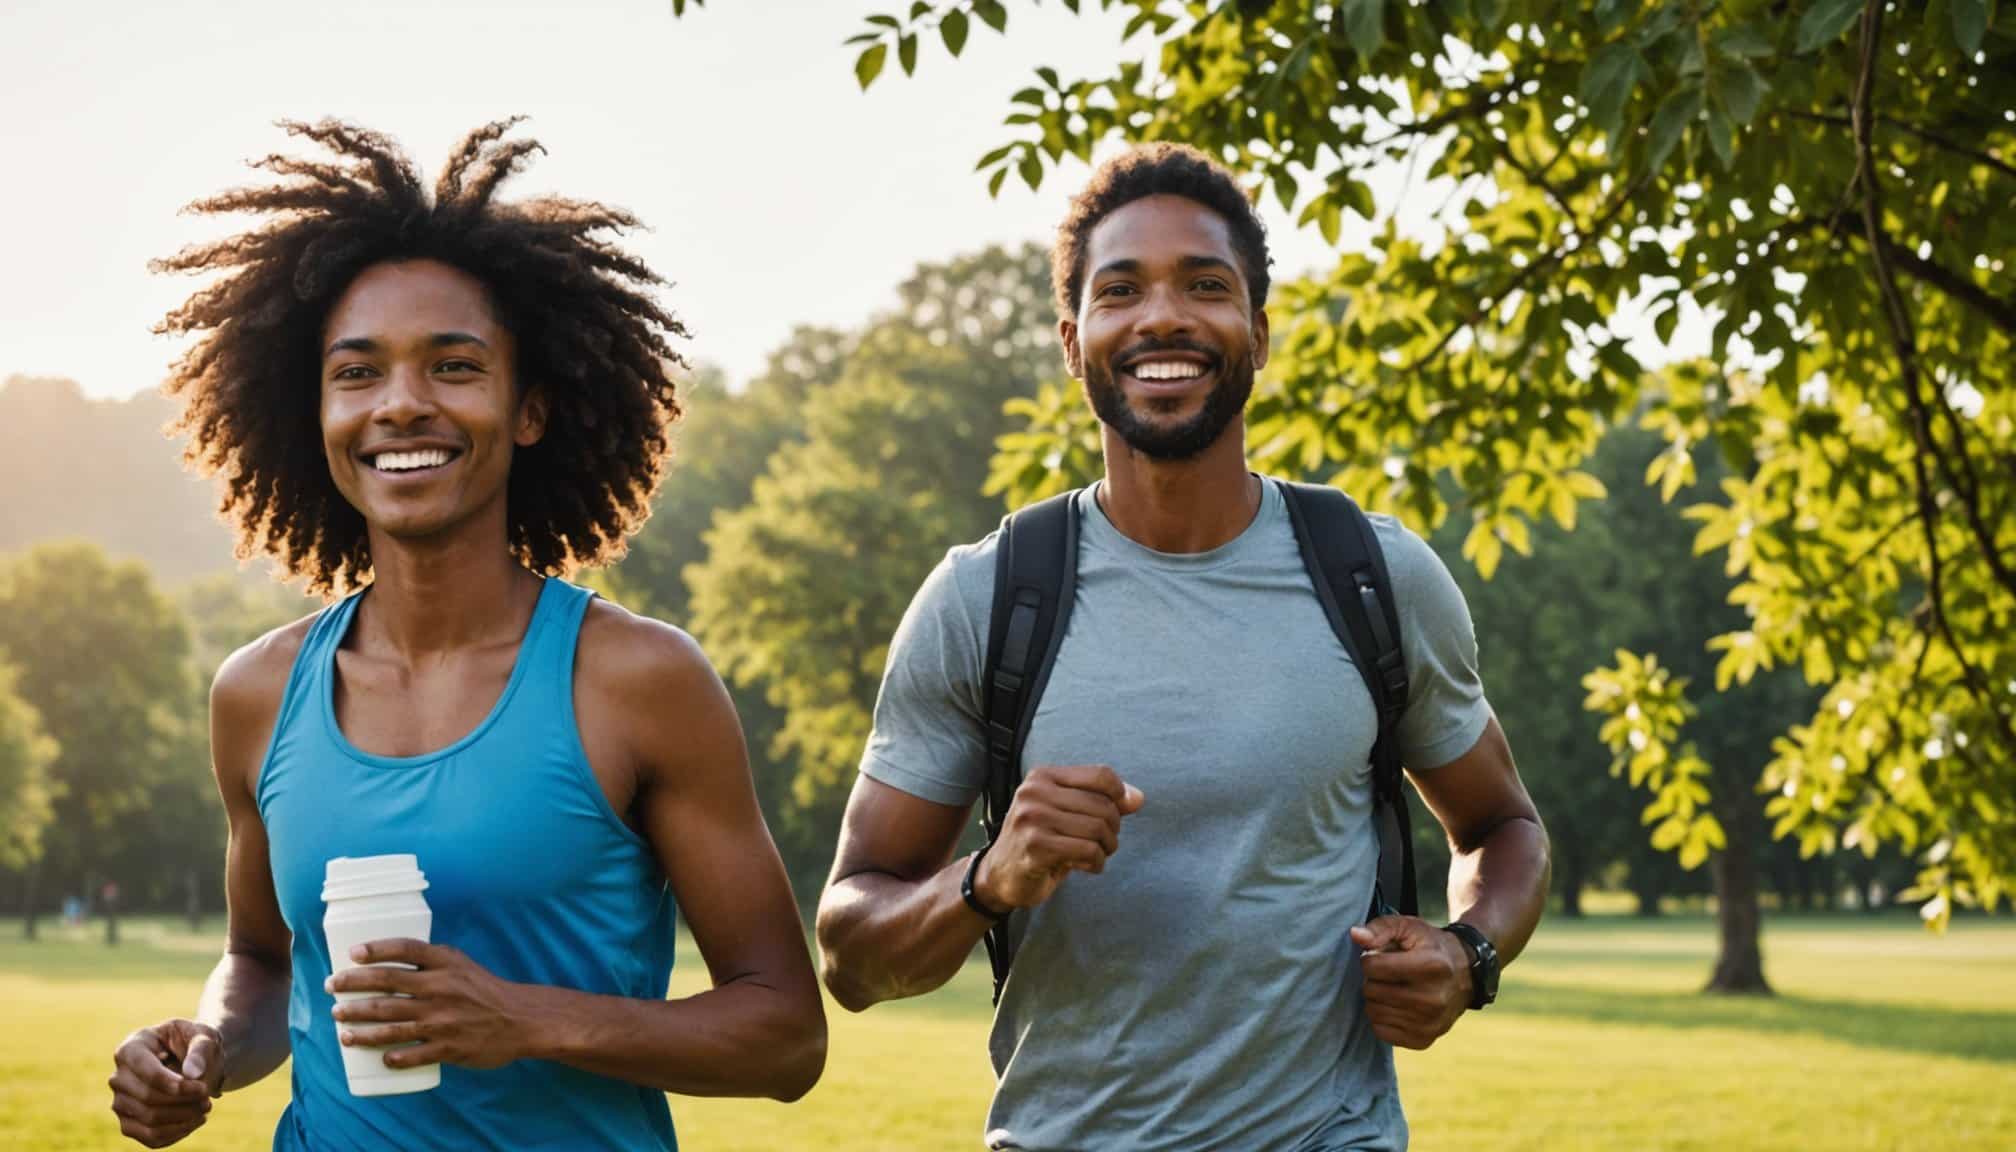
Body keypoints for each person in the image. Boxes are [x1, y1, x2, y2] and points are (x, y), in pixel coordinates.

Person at [107, 119, 825, 1151]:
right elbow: (263, 962)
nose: (400, 405)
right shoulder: (257, 694)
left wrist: (528, 1019)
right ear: (311, 410)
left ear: (528, 409)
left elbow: (785, 1036)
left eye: (452, 366)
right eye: (356, 373)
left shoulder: (635, 680)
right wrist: (208, 1045)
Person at [816, 143, 1549, 1150]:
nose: (1163, 316)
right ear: (1075, 342)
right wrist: (989, 878)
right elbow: (851, 956)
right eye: (1121, 291)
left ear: (1258, 329)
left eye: (1205, 285)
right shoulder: (985, 599)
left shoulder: (1376, 577)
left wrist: (1471, 953)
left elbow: (1503, 827)